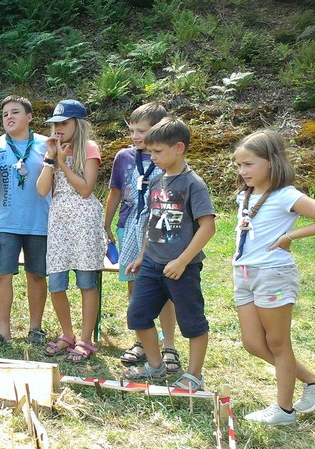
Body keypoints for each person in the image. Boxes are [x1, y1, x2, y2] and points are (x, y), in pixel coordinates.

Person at [123, 117, 215, 392]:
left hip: (181, 268)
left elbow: (208, 227)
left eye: (158, 151)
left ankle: (194, 375)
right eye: (150, 151)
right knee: (137, 316)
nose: (152, 157)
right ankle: (155, 366)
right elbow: (151, 222)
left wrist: (182, 261)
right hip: (152, 263)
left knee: (192, 323)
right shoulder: (156, 181)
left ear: (179, 148)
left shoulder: (193, 184)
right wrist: (142, 256)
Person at [231, 130, 315, 425]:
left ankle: (284, 410)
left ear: (271, 162)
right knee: (253, 343)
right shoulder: (245, 195)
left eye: (249, 164)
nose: (243, 171)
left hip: (272, 273)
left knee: (278, 343)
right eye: (239, 165)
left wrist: (290, 236)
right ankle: (311, 381)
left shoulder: (286, 195)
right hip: (243, 273)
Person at [104, 103, 180, 372]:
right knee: (135, 285)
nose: (135, 136)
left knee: (164, 287)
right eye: (132, 130)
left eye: (142, 131)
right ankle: (142, 341)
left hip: (160, 229)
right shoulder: (124, 157)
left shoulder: (167, 159)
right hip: (129, 225)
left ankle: (168, 344)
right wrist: (106, 224)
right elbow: (115, 192)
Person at [0, 95, 50, 352]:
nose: (9, 117)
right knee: (1, 275)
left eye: (15, 112)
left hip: (40, 222)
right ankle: (3, 331)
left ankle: (35, 329)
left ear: (30, 117)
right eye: (5, 114)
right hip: (7, 224)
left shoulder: (45, 144)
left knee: (37, 275)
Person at [37, 100, 106, 363]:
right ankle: (67, 334)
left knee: (86, 282)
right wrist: (50, 159)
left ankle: (85, 339)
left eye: (64, 123)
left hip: (85, 221)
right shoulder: (53, 150)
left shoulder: (89, 148)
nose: (58, 129)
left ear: (78, 124)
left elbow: (86, 189)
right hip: (59, 222)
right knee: (56, 283)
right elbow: (42, 190)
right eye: (55, 124)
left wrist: (64, 163)